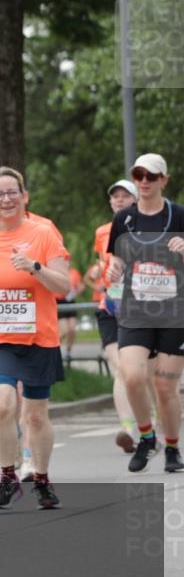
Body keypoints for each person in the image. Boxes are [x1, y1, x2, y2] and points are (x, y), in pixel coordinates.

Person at [0, 167, 70, 510]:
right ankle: (8, 476)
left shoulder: (43, 233)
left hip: (39, 336)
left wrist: (35, 268)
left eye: (12, 193)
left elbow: (63, 286)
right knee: (3, 405)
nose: (6, 200)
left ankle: (41, 478)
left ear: (24, 197)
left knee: (36, 416)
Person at [106, 153, 184, 473]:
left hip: (174, 313)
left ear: (164, 179)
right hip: (136, 310)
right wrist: (113, 270)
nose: (145, 181)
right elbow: (117, 261)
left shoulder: (178, 215)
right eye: (139, 175)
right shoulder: (123, 219)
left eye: (152, 176)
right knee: (133, 376)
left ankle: (172, 449)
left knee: (165, 386)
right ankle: (146, 436)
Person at [82, 179, 145, 452]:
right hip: (110, 307)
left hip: (144, 308)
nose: (119, 200)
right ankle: (128, 429)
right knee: (120, 368)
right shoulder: (102, 232)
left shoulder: (149, 229)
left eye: (124, 195)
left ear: (135, 199)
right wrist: (100, 276)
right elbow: (103, 263)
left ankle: (152, 423)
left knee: (142, 373)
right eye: (114, 197)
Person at [57, 266, 84, 359]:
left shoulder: (74, 272)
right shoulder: (56, 270)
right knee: (65, 331)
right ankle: (52, 348)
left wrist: (79, 289)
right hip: (59, 301)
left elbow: (79, 286)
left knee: (72, 330)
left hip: (70, 300)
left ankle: (68, 351)